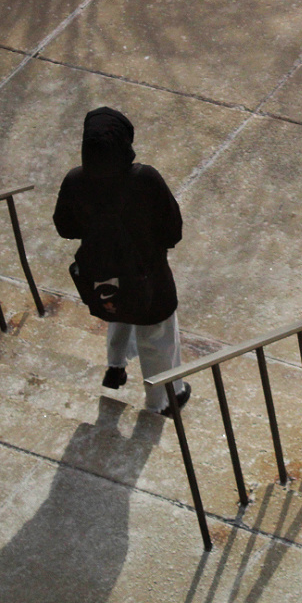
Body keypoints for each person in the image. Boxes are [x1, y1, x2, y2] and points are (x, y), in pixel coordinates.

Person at [52, 107, 190, 416]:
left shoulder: (75, 180)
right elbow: (172, 229)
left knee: (118, 312)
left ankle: (115, 367)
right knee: (156, 335)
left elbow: (65, 227)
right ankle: (163, 400)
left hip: (102, 273)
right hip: (148, 274)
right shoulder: (145, 179)